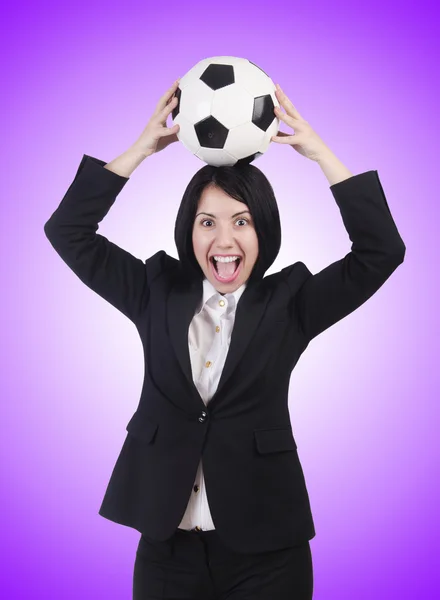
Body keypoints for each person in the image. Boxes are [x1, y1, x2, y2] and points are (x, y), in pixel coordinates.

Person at [44, 79, 406, 600]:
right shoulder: (154, 291)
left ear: (264, 232)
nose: (224, 241)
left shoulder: (291, 304)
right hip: (167, 548)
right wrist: (141, 150)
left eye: (242, 222)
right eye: (207, 222)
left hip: (267, 549)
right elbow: (69, 232)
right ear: (188, 233)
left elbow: (381, 252)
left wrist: (320, 154)